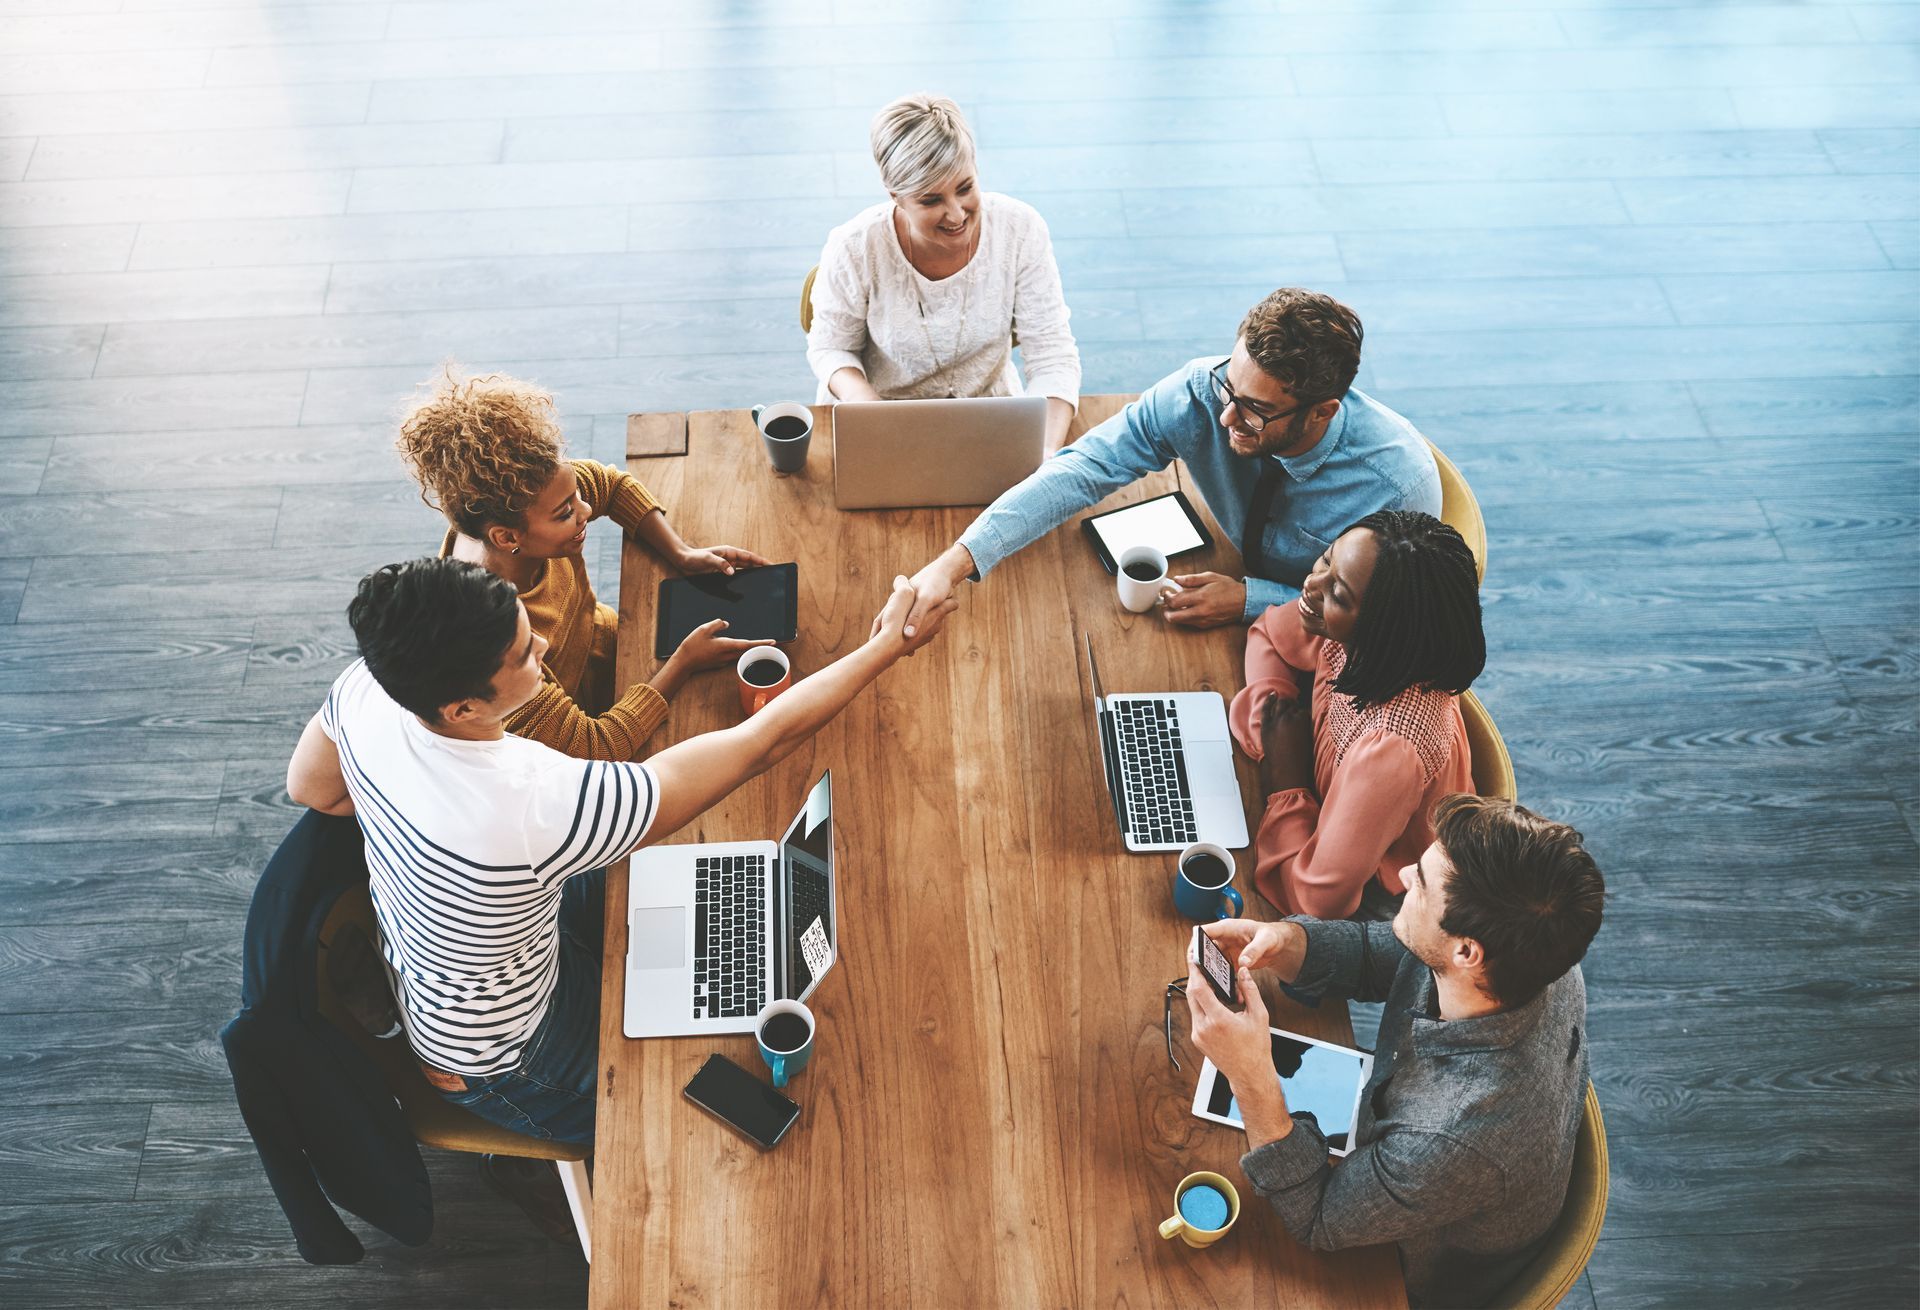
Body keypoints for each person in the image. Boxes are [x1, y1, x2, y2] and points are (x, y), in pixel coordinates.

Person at [285, 558, 955, 1151]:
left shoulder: (367, 686)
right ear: (461, 707)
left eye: (526, 628)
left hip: (458, 964)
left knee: (701, 915)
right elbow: (762, 745)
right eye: (521, 656)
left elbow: (311, 789)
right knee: (673, 1124)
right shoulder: (534, 800)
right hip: (508, 1054)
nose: (543, 647)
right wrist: (888, 647)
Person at [1184, 795, 1606, 1310]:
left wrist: (1251, 1076)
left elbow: (1317, 1217)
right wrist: (1285, 941)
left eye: (1423, 882)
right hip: (1422, 1168)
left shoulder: (1453, 1137)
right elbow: (1389, 955)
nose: (1404, 874)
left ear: (1467, 952)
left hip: (1405, 1269)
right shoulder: (1535, 954)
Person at [887, 288, 1441, 639]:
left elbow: (1392, 625)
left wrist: (1252, 599)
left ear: (1321, 412)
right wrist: (954, 562)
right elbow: (1083, 468)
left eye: (1256, 412)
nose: (1226, 419)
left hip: (1316, 646)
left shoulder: (1398, 488)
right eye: (1231, 386)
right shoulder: (1205, 390)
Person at [398, 368, 771, 761]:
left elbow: (611, 486)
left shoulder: (535, 493)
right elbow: (596, 747)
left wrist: (681, 553)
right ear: (507, 538)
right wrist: (683, 663)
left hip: (611, 644)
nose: (586, 511)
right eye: (565, 513)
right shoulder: (494, 643)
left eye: (576, 494)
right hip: (575, 727)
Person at [1232, 510, 1485, 920]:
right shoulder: (1352, 633)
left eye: (1338, 594)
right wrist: (1271, 723)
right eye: (1327, 559)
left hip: (1384, 896)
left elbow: (1318, 902)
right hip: (1327, 828)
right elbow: (1268, 634)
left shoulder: (1393, 749)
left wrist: (1287, 778)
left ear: (1384, 630)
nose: (1311, 586)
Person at [806, 93, 1082, 453]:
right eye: (930, 200)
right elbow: (830, 347)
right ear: (896, 196)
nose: (956, 215)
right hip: (884, 421)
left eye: (965, 188)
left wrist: (1042, 455)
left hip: (992, 416)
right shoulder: (853, 246)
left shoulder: (1021, 229)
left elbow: (1053, 355)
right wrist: (867, 407)